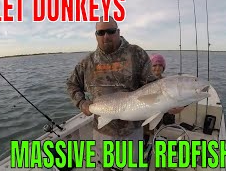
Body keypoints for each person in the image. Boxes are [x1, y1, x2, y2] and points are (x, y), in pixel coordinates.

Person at [66, 16, 159, 170]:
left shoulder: (136, 54)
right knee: (104, 166)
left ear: (118, 31)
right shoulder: (87, 63)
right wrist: (82, 103)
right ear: (96, 35)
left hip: (132, 129)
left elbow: (153, 86)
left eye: (110, 31)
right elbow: (71, 84)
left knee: (134, 166)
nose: (106, 36)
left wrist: (169, 102)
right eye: (101, 33)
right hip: (102, 129)